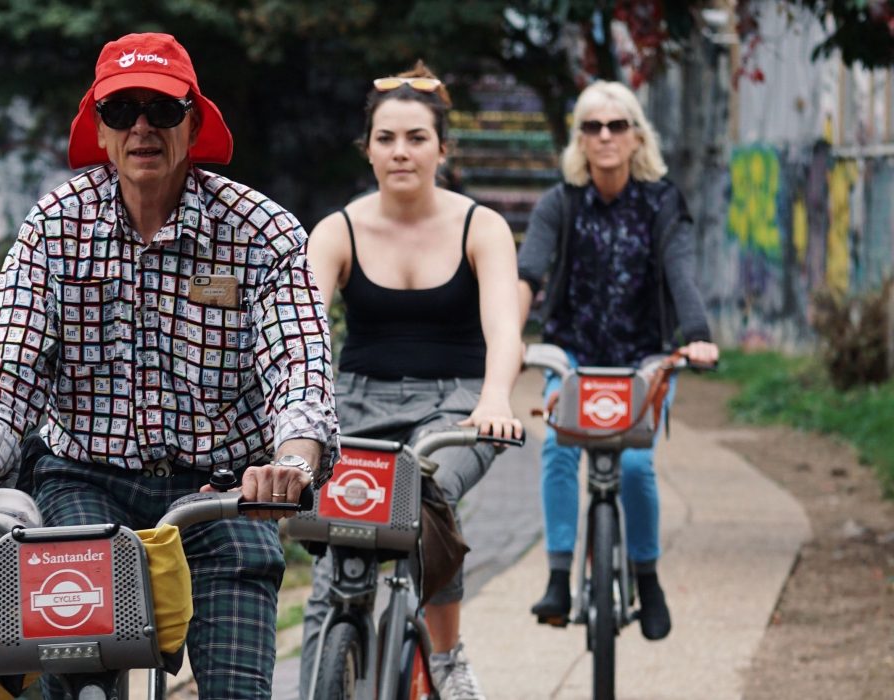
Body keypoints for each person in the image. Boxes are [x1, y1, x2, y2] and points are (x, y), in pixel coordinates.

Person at [0, 32, 338, 698]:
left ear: (193, 126)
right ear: (100, 131)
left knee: (238, 686)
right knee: (69, 664)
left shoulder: (263, 232)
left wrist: (290, 465)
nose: (142, 127)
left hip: (221, 490)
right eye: (121, 111)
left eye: (163, 110)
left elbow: (299, 365)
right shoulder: (54, 225)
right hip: (85, 478)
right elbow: (7, 367)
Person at [300, 62, 524, 700]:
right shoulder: (337, 230)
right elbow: (301, 334)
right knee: (334, 560)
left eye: (417, 137)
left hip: (457, 404)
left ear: (441, 149)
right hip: (355, 403)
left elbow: (504, 329)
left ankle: (447, 657)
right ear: (368, 150)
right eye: (387, 138)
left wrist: (495, 398)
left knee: (427, 495)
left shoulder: (480, 226)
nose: (401, 151)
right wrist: (298, 414)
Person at [516, 80, 720, 642]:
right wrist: (509, 338)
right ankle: (558, 577)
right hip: (573, 356)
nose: (605, 136)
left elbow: (680, 272)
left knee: (633, 466)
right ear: (580, 140)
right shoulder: (560, 203)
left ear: (636, 137)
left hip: (643, 360)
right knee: (559, 447)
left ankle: (647, 580)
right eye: (592, 126)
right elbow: (528, 272)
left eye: (616, 125)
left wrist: (697, 336)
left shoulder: (662, 202)